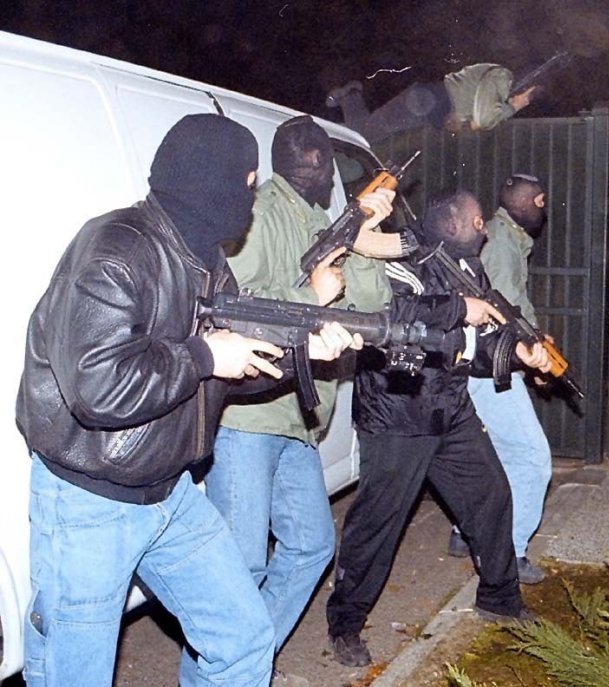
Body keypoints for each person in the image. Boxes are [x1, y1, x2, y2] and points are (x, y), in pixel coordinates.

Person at [15, 113, 356, 687]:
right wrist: (204, 355)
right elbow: (98, 386)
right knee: (74, 675)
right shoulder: (116, 249)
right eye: (247, 182)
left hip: (170, 494)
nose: (251, 198)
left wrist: (302, 349)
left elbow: (229, 372)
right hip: (91, 501)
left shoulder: (207, 261)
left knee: (244, 641)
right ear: (210, 179)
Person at [198, 116, 393, 686]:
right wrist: (310, 293)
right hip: (251, 415)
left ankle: (246, 663)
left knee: (310, 546)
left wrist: (364, 238)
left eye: (318, 156)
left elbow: (369, 305)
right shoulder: (259, 214)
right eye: (314, 158)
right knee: (242, 568)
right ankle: (223, 673)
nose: (319, 168)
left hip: (297, 419)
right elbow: (230, 307)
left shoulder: (320, 220)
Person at [325, 189, 551, 667]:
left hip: (449, 407)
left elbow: (476, 348)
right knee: (378, 523)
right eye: (475, 220)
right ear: (450, 225)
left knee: (491, 495)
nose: (484, 228)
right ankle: (345, 623)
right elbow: (391, 316)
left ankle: (500, 597)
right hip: (398, 413)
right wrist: (458, 309)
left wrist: (519, 354)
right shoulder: (404, 261)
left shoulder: (472, 269)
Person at [448, 173, 552, 585]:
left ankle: (465, 531)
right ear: (525, 204)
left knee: (494, 453)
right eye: (541, 202)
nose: (544, 210)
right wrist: (533, 354)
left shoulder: (505, 239)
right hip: (491, 367)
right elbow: (505, 314)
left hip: (485, 362)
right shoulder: (503, 245)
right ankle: (510, 553)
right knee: (531, 458)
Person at [326, 63, 536, 143]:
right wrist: (514, 107)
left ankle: (351, 95)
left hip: (427, 108)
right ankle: (350, 95)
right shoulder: (502, 75)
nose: (528, 99)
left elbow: (473, 120)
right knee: (364, 134)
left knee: (366, 135)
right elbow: (483, 119)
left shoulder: (498, 85)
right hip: (424, 102)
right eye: (530, 94)